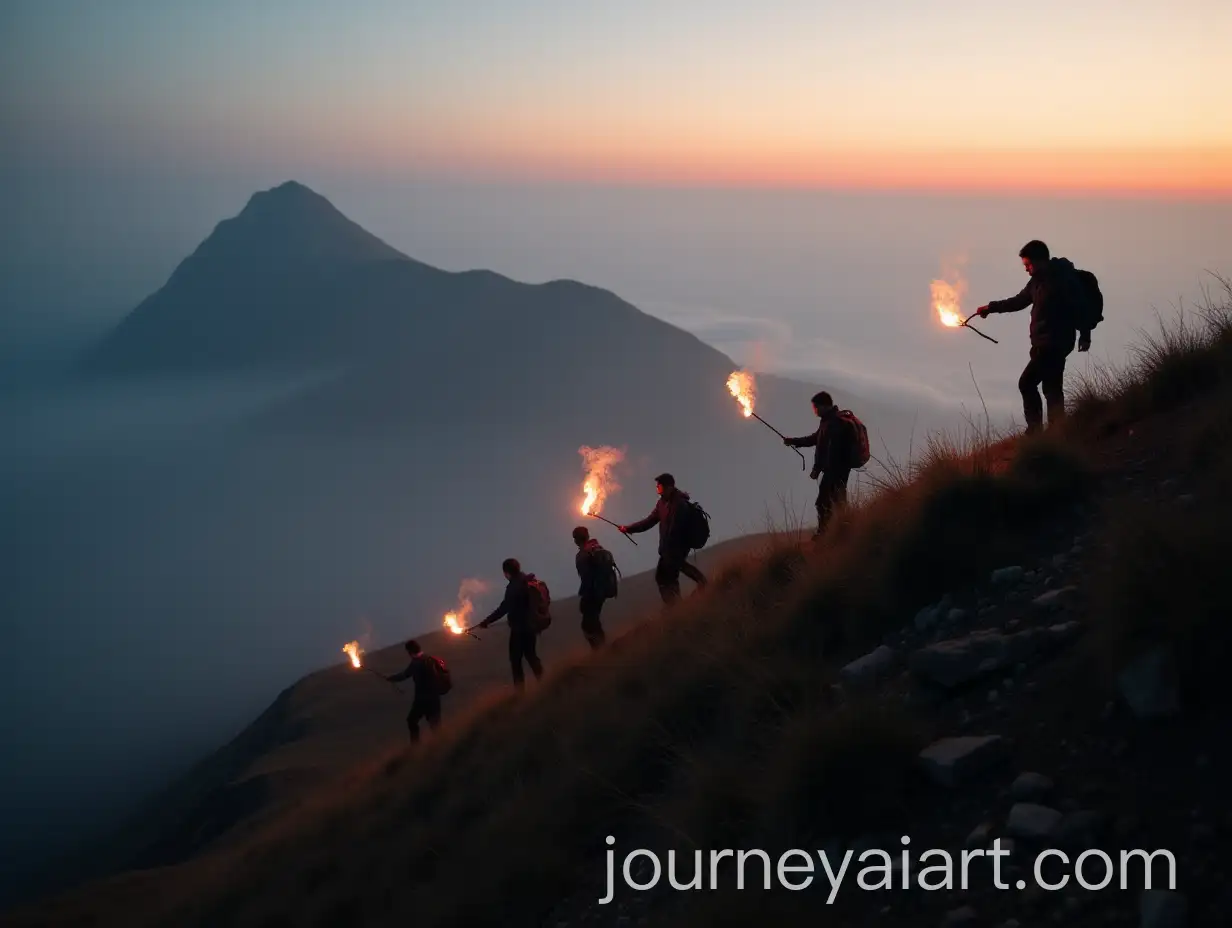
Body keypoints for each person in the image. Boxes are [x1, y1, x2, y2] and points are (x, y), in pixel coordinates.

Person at [975, 239, 1092, 435]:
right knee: (1051, 387)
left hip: (1053, 343)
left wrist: (1085, 335)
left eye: (1028, 264)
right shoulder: (1037, 282)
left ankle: (1035, 432)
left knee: (1027, 383)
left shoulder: (1061, 280)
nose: (1026, 269)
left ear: (1040, 261)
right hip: (1046, 344)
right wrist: (991, 308)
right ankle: (1058, 431)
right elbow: (1018, 301)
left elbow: (1079, 306)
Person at [619, 473, 708, 604]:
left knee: (665, 577)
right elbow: (649, 521)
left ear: (669, 487)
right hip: (668, 550)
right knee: (670, 573)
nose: (657, 488)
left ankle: (675, 606)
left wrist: (669, 549)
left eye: (659, 485)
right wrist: (629, 528)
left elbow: (676, 529)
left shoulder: (680, 504)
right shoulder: (661, 503)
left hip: (676, 548)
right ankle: (695, 588)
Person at [784, 391, 856, 539]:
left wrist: (818, 469)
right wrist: (794, 441)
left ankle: (825, 533)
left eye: (816, 407)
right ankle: (844, 529)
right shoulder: (828, 421)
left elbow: (831, 450)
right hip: (837, 469)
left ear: (824, 406)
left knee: (823, 502)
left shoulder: (834, 423)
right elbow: (815, 439)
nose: (814, 410)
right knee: (837, 500)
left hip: (835, 470)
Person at [475, 557, 544, 689]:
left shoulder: (514, 587)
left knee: (515, 660)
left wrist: (487, 621)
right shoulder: (527, 580)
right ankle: (543, 682)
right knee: (531, 656)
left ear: (507, 572)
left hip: (519, 629)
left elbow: (504, 608)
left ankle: (520, 692)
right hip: (531, 625)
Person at [385, 639, 442, 743]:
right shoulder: (429, 658)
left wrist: (391, 678)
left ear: (410, 651)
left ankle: (416, 747)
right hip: (435, 697)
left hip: (422, 699)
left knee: (412, 721)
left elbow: (405, 674)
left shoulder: (416, 663)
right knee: (435, 725)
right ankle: (442, 745)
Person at [573, 526, 613, 649]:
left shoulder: (582, 555)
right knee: (593, 620)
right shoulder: (598, 548)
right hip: (603, 590)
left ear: (575, 540)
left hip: (593, 592)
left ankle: (600, 649)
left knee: (588, 625)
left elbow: (586, 577)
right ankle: (602, 647)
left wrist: (585, 597)